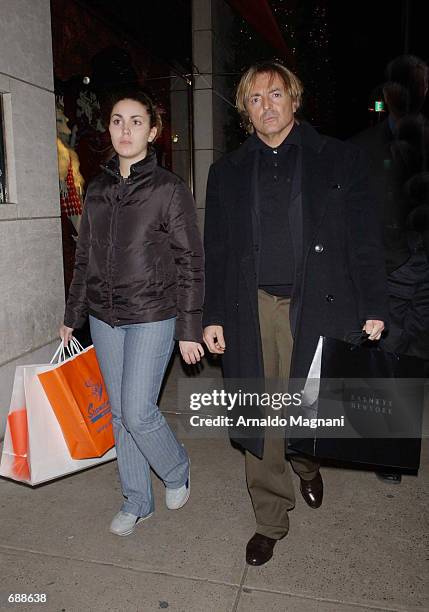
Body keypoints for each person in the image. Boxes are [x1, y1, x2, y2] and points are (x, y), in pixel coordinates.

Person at [203, 61, 388, 566]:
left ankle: (307, 464)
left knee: (310, 410)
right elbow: (216, 250)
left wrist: (374, 303)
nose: (267, 105)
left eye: (275, 93)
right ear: (245, 110)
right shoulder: (227, 173)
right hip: (253, 308)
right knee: (260, 413)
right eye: (255, 98)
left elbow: (364, 239)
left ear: (294, 99)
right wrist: (212, 313)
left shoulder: (339, 160)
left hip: (321, 305)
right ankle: (270, 518)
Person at [60, 90, 204, 536]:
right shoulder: (98, 190)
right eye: (118, 120)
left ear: (153, 132)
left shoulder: (168, 190)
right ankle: (137, 500)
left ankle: (176, 468)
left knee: (139, 411)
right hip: (104, 315)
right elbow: (85, 257)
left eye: (136, 121)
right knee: (120, 414)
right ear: (109, 128)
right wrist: (73, 314)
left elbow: (191, 261)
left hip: (152, 313)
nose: (126, 130)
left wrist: (190, 328)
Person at [351, 55, 429, 484]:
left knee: (416, 360)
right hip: (389, 272)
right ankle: (391, 453)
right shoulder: (361, 149)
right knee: (393, 360)